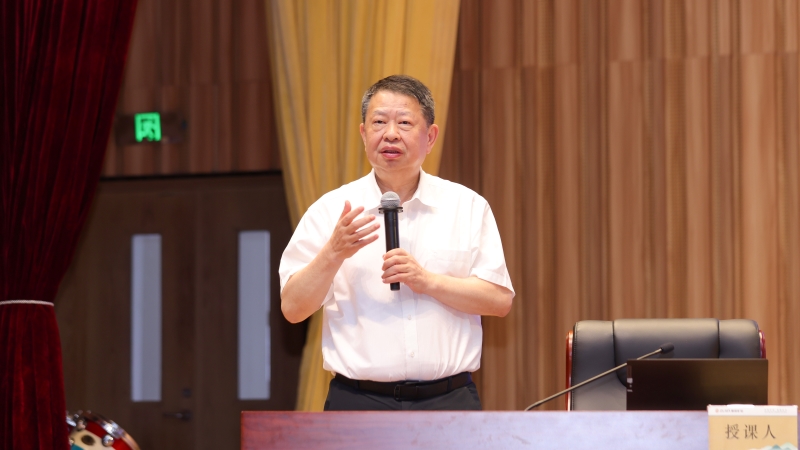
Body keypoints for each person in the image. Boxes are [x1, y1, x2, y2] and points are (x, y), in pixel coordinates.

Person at [279, 75, 514, 411]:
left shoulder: (467, 207)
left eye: (404, 123)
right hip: (358, 402)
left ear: (430, 137)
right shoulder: (330, 210)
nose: (390, 134)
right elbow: (292, 308)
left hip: (449, 401)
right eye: (379, 122)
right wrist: (333, 253)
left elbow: (499, 300)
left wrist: (427, 281)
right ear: (363, 134)